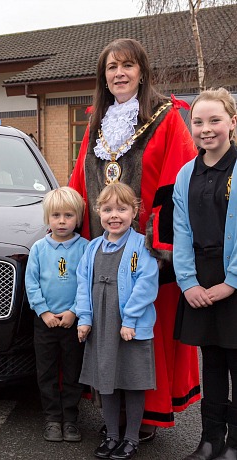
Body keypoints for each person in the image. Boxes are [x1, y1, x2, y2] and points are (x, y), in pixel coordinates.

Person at [68, 38, 200, 439]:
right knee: (107, 329)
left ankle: (147, 415)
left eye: (127, 66)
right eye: (112, 67)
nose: (119, 74)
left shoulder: (167, 118)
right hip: (102, 248)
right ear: (103, 77)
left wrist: (158, 250)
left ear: (142, 71)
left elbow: (177, 184)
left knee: (141, 330)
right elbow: (80, 183)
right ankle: (114, 412)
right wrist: (70, 236)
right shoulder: (96, 124)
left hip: (146, 252)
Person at [173, 88, 237, 460]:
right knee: (211, 364)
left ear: (232, 123)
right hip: (200, 282)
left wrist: (232, 282)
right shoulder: (186, 173)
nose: (206, 129)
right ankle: (210, 440)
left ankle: (235, 444)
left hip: (233, 282)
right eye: (198, 122)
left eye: (215, 121)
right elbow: (181, 231)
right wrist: (188, 283)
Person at [76, 182, 159, 460]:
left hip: (129, 327)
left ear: (134, 211)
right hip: (101, 326)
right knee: (105, 381)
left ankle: (131, 439)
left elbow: (146, 284)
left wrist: (130, 320)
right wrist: (84, 319)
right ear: (99, 211)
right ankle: (112, 435)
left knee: (132, 382)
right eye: (108, 209)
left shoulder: (140, 246)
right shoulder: (93, 248)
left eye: (122, 209)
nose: (115, 215)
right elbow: (82, 284)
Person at [25, 186, 88, 443]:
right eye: (56, 216)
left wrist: (74, 311)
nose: (62, 221)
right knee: (47, 372)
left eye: (68, 215)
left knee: (73, 371)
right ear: (47, 218)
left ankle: (71, 420)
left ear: (79, 218)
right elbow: (32, 283)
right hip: (46, 322)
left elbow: (86, 282)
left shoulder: (85, 247)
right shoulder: (39, 248)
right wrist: (44, 312)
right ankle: (52, 418)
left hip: (72, 322)